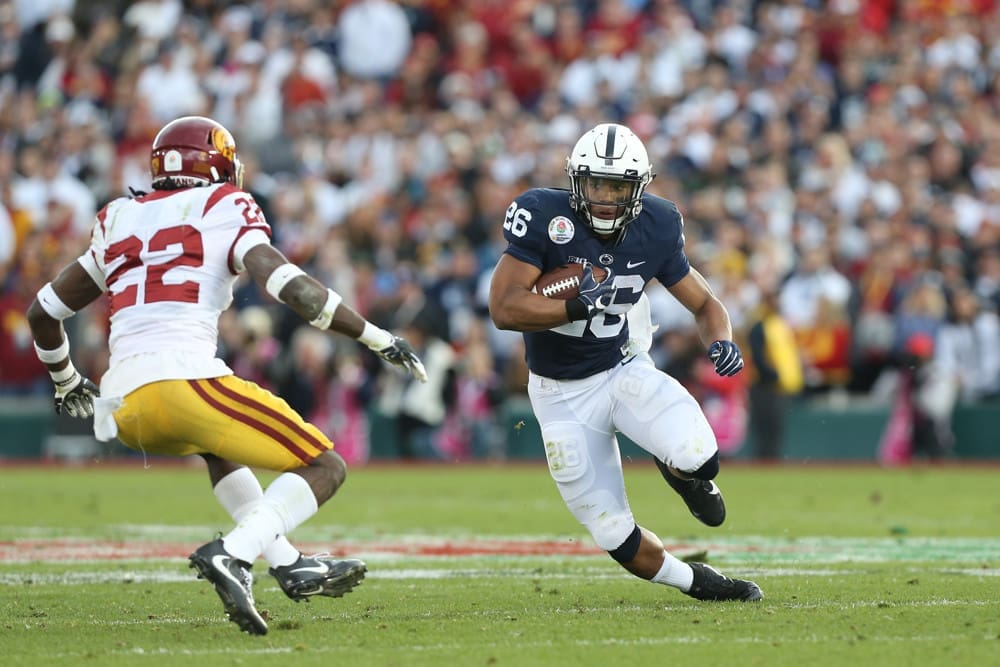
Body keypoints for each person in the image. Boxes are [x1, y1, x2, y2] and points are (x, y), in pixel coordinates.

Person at [25, 116, 429, 635]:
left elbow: (43, 314)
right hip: (184, 382)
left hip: (122, 405)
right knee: (326, 466)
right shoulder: (225, 205)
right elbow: (292, 287)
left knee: (219, 448)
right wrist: (378, 337)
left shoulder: (118, 216)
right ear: (216, 164)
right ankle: (233, 554)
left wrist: (65, 380)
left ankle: (287, 562)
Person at [489, 122, 762, 602]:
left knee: (700, 456)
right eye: (597, 183)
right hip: (560, 395)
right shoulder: (542, 214)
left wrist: (721, 340)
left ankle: (684, 478)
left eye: (618, 186)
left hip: (621, 371)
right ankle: (699, 582)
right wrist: (576, 304)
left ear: (638, 188)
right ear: (577, 182)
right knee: (613, 534)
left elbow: (705, 304)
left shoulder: (657, 225)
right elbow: (504, 308)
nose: (607, 197)